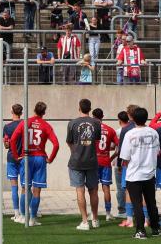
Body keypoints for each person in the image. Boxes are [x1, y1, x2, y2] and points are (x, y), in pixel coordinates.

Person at [10, 102, 60, 226]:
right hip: (40, 158)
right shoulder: (46, 125)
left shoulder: (25, 122)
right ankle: (32, 219)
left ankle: (22, 216)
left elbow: (12, 139)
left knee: (25, 188)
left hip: (27, 157)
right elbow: (56, 144)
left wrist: (16, 156)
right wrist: (51, 158)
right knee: (36, 190)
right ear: (44, 112)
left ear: (34, 109)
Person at [119, 107, 161, 239]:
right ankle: (155, 229)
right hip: (149, 172)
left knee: (137, 203)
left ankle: (141, 230)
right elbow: (157, 151)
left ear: (133, 119)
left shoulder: (130, 134)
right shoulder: (153, 133)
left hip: (134, 174)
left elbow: (125, 157)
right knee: (151, 203)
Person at [67, 99, 102, 231]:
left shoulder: (72, 123)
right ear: (90, 108)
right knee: (93, 190)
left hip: (77, 161)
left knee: (80, 190)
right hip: (92, 160)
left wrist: (75, 151)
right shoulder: (96, 123)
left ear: (79, 108)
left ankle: (85, 221)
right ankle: (95, 219)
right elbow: (96, 140)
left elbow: (69, 142)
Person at [92, 108, 119, 222]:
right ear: (103, 116)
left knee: (93, 189)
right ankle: (108, 213)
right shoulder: (110, 130)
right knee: (106, 187)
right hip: (105, 161)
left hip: (93, 162)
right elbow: (119, 147)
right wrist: (111, 157)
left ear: (93, 116)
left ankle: (94, 215)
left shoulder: (91, 129)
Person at [3, 104, 23, 222]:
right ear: (21, 112)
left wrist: (9, 143)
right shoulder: (25, 124)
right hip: (23, 157)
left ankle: (16, 213)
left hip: (11, 158)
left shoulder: (7, 127)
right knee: (26, 186)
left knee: (14, 187)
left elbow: (6, 144)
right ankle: (26, 212)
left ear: (12, 111)